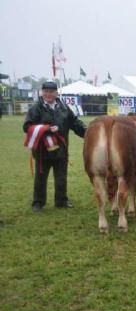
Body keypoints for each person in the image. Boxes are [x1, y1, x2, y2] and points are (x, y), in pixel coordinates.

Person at [23, 80, 87, 212]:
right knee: (40, 178)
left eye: (51, 92)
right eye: (45, 91)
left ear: (56, 93)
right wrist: (46, 129)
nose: (48, 94)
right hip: (42, 152)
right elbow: (27, 126)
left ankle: (61, 201)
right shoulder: (36, 108)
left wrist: (88, 133)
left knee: (61, 178)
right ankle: (38, 203)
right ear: (42, 92)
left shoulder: (63, 107)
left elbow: (74, 123)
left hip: (61, 151)